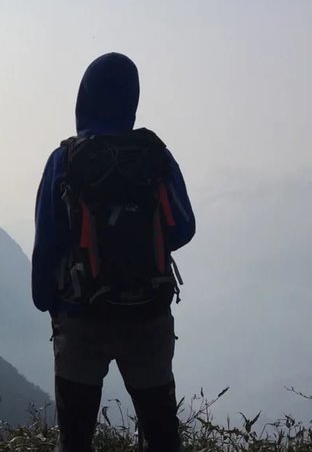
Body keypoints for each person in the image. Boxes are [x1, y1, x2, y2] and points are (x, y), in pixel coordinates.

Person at [32, 52, 196, 451]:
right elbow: (184, 226)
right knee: (161, 435)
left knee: (75, 438)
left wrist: (48, 302)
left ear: (84, 97)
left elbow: (47, 242)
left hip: (80, 315)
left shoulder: (65, 160)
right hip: (147, 313)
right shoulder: (155, 156)